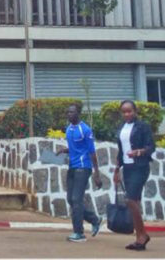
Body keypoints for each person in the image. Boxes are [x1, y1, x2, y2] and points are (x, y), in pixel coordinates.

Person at [55, 103, 102, 243]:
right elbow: (75, 148)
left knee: (76, 199)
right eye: (68, 112)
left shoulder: (85, 129)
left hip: (83, 167)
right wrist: (64, 150)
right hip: (72, 167)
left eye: (72, 112)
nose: (69, 114)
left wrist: (97, 173)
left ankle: (79, 233)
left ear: (78, 113)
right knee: (71, 199)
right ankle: (94, 220)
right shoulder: (69, 129)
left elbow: (91, 151)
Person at [113, 100, 155, 252]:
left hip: (140, 167)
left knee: (130, 200)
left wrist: (139, 152)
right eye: (124, 112)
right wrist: (117, 170)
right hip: (128, 168)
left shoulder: (142, 126)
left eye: (129, 111)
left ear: (135, 111)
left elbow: (151, 147)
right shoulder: (121, 128)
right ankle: (140, 238)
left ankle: (142, 235)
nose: (127, 114)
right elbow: (121, 151)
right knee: (134, 201)